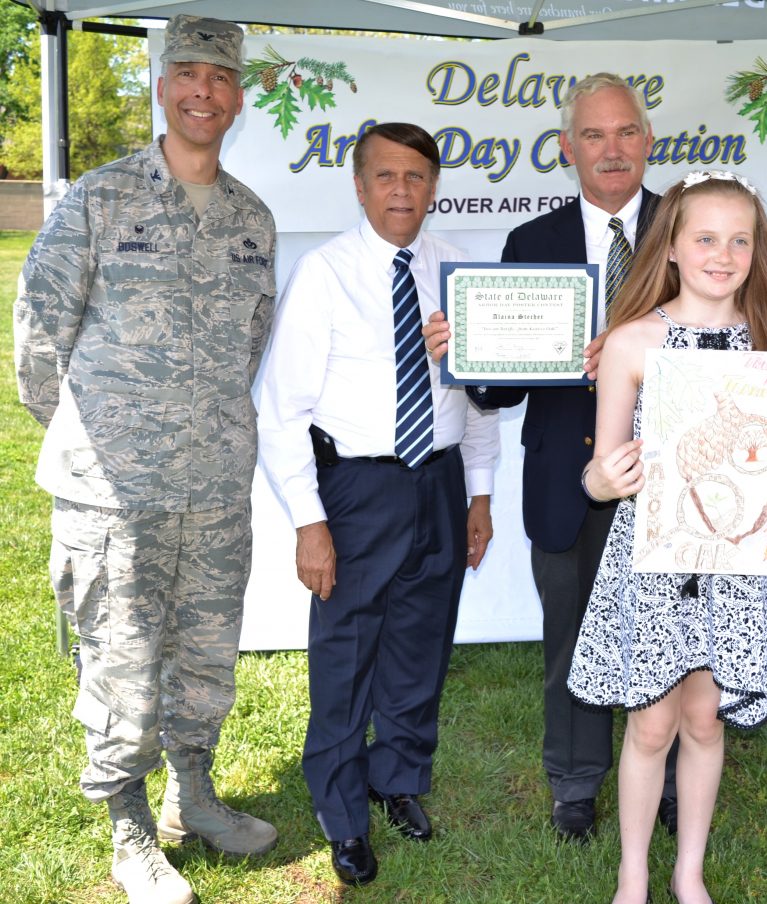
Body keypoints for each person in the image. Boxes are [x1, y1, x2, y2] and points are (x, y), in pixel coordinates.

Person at [13, 15, 278, 904]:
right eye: (189, 73)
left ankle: (191, 797)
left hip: (214, 488)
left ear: (240, 97)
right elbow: (39, 337)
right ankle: (129, 830)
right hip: (114, 491)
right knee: (121, 658)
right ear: (163, 85)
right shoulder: (99, 197)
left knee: (205, 655)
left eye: (222, 77)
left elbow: (252, 341)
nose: (205, 90)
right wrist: (102, 437)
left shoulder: (251, 219)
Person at [568, 170, 767, 904]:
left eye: (739, 240)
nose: (721, 255)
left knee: (704, 715)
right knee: (652, 721)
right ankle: (633, 875)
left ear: (757, 251)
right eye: (704, 238)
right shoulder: (633, 343)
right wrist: (606, 481)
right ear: (670, 247)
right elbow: (599, 473)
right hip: (654, 563)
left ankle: (686, 871)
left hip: (736, 566)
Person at [424, 72, 679, 842]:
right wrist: (463, 356)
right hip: (565, 480)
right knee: (570, 632)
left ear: (647, 140)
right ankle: (575, 783)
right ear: (567, 148)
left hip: (676, 477)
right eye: (593, 136)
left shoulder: (691, 227)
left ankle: (663, 772)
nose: (611, 150)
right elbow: (501, 392)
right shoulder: (531, 242)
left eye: (625, 132)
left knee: (667, 630)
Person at [256, 122, 498, 888]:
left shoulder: (456, 268)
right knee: (348, 650)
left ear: (434, 186)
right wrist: (309, 520)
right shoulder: (325, 274)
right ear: (360, 186)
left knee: (421, 641)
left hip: (440, 478)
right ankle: (341, 809)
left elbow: (482, 396)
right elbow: (280, 408)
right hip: (358, 489)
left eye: (416, 176)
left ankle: (397, 778)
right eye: (386, 176)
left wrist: (480, 491)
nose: (402, 190)